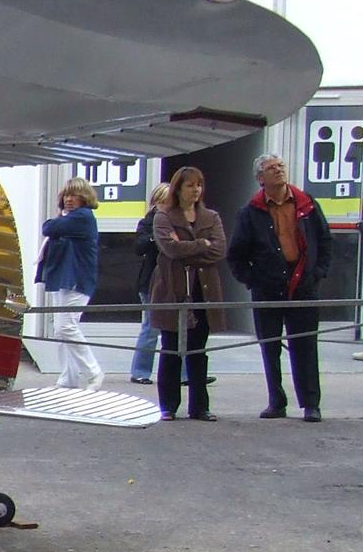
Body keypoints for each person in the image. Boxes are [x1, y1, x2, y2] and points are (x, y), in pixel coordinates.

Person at [228, 153, 331, 422]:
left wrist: (319, 272)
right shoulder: (250, 212)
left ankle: (310, 404)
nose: (278, 171)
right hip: (267, 290)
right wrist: (252, 280)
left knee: (306, 346)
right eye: (271, 168)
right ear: (260, 178)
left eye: (280, 166)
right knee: (270, 347)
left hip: (304, 287)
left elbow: (325, 240)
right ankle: (276, 401)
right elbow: (236, 254)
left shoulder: (306, 204)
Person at [149, 165, 227, 421]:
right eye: (190, 185)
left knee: (197, 349)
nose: (195, 190)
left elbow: (218, 251)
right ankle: (168, 406)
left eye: (199, 185)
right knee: (171, 348)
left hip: (203, 290)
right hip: (173, 289)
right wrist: (200, 245)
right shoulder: (163, 216)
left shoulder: (211, 217)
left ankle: (199, 406)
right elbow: (170, 249)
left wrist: (189, 247)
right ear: (178, 188)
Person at [37, 176, 103, 389]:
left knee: (66, 326)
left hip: (77, 280)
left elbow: (48, 227)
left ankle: (93, 371)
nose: (69, 199)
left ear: (84, 198)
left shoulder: (82, 217)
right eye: (66, 195)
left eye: (74, 195)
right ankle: (69, 379)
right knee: (61, 328)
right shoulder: (71, 219)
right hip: (65, 280)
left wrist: (57, 221)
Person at [128, 184, 169, 384]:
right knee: (151, 326)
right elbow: (139, 247)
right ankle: (140, 371)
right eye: (164, 201)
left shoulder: (179, 220)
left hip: (173, 280)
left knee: (182, 326)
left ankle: (186, 374)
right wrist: (156, 237)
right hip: (151, 280)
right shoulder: (147, 222)